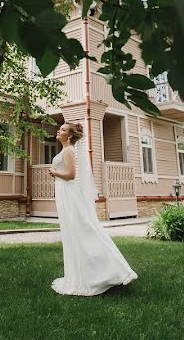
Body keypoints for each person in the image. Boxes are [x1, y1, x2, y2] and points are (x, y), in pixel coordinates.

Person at [48, 121, 138, 296]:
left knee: (81, 230)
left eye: (63, 130)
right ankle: (80, 273)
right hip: (63, 193)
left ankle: (109, 270)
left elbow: (71, 175)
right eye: (60, 129)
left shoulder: (68, 151)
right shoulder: (64, 150)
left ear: (70, 135)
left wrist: (54, 172)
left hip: (68, 193)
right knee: (73, 232)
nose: (59, 131)